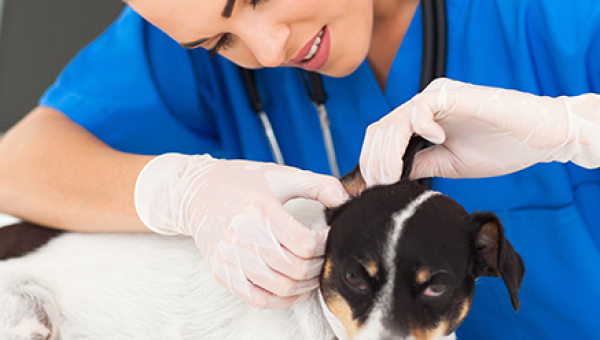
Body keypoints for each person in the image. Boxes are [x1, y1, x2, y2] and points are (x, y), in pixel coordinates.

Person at [0, 0, 598, 338]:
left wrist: (574, 128)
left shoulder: (557, 18)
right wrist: (179, 190)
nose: (266, 52)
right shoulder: (193, 18)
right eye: (218, 42)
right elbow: (16, 165)